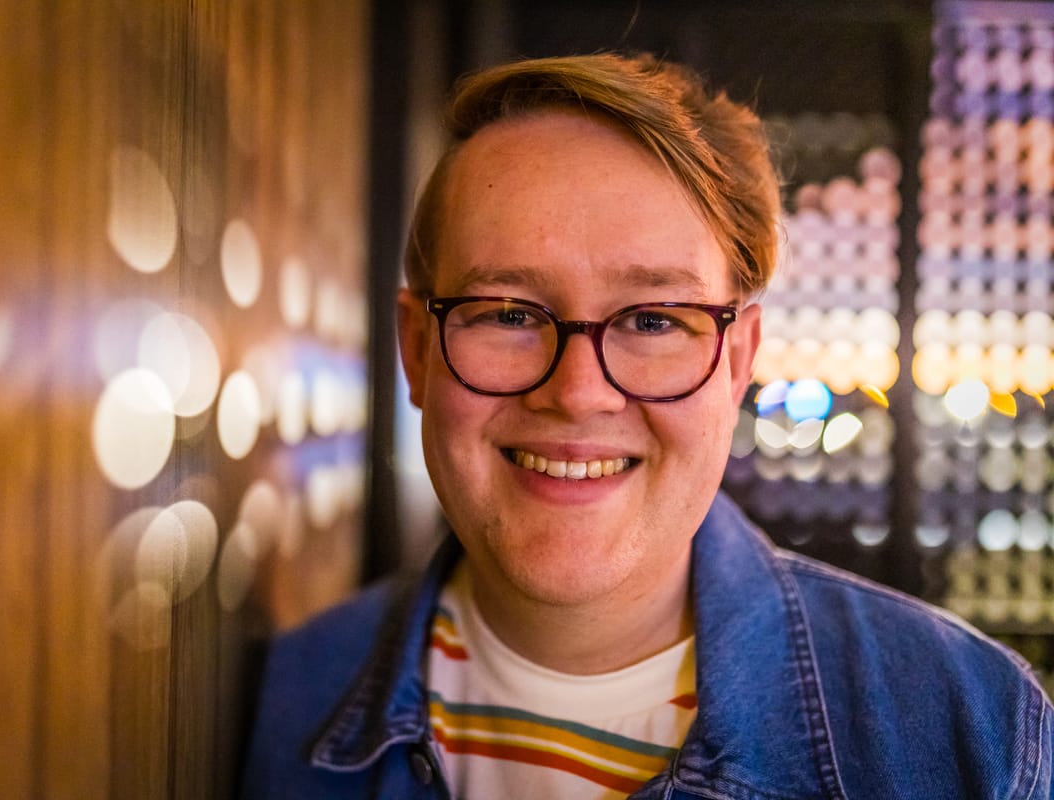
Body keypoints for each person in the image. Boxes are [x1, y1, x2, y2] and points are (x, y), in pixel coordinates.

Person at [243, 52, 1053, 799]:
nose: (579, 392)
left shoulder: (969, 732)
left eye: (655, 321)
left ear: (739, 362)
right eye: (510, 312)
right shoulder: (284, 702)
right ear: (416, 350)